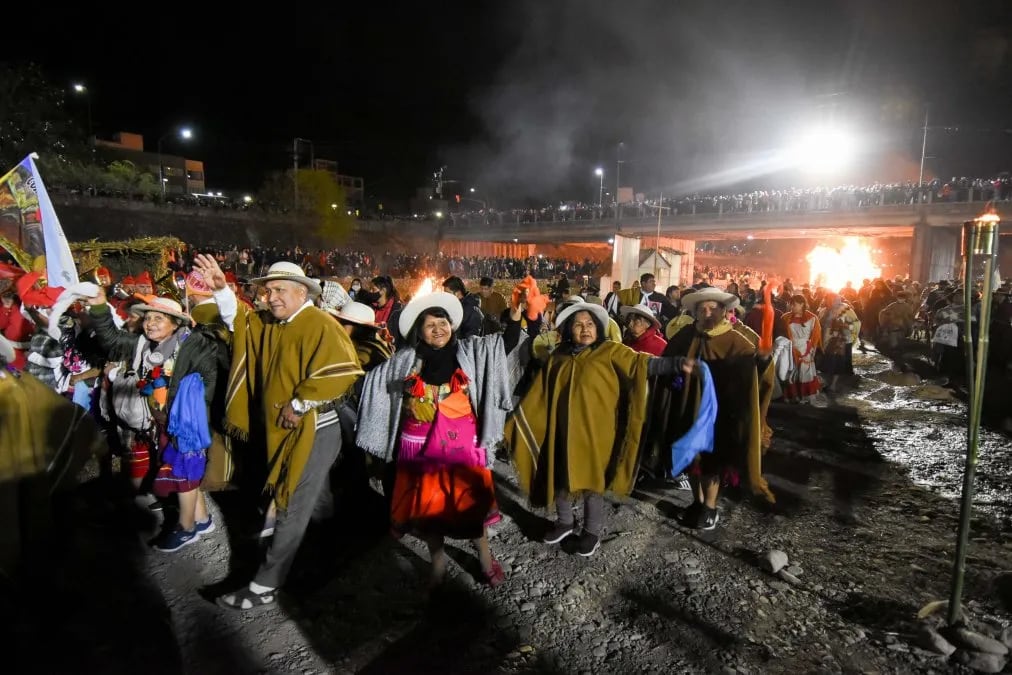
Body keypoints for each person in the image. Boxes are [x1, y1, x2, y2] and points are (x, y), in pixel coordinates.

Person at [193, 256, 364, 611]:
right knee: (313, 498)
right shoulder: (271, 322)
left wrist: (301, 403)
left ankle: (267, 583)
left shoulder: (318, 322)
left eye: (280, 290)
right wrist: (223, 290)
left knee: (290, 502)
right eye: (268, 290)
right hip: (288, 427)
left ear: (302, 293)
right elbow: (240, 323)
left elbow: (344, 370)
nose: (271, 297)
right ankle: (325, 557)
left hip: (314, 427)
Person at [357, 291, 528, 588]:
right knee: (429, 509)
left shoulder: (469, 350)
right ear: (419, 332)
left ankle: (485, 559)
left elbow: (505, 344)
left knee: (469, 503)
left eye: (442, 322)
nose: (438, 329)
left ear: (452, 325)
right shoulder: (406, 360)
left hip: (460, 443)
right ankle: (438, 564)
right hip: (419, 444)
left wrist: (515, 315)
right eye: (430, 325)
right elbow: (374, 383)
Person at [507, 302, 687, 556]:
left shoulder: (611, 351)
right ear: (569, 329)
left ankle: (591, 533)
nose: (585, 329)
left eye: (590, 324)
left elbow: (641, 364)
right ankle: (565, 522)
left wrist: (677, 364)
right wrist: (518, 421)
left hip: (597, 435)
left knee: (592, 485)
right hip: (562, 433)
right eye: (578, 324)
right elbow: (541, 392)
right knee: (560, 477)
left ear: (598, 327)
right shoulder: (559, 356)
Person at [85, 290, 221, 551]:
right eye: (148, 318)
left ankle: (187, 528)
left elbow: (209, 382)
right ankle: (202, 520)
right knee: (179, 469)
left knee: (183, 471)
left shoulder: (194, 345)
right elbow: (112, 341)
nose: (150, 323)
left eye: (159, 318)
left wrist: (188, 413)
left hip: (186, 422)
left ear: (176, 323)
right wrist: (99, 307)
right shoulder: (142, 344)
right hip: (161, 421)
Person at [659, 287, 777, 530]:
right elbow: (666, 360)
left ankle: (710, 508)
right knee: (692, 458)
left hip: (719, 411)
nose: (708, 313)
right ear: (695, 313)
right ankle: (697, 502)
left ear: (724, 311)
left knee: (712, 461)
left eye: (713, 308)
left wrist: (763, 360)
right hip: (686, 407)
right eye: (703, 309)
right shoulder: (686, 335)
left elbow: (754, 371)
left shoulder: (736, 339)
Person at [783, 294, 823, 403]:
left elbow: (816, 336)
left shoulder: (812, 318)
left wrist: (813, 349)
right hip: (790, 348)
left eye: (794, 305)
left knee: (805, 373)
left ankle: (805, 397)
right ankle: (793, 395)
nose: (792, 307)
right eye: (791, 305)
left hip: (805, 349)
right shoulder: (786, 317)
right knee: (791, 373)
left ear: (802, 304)